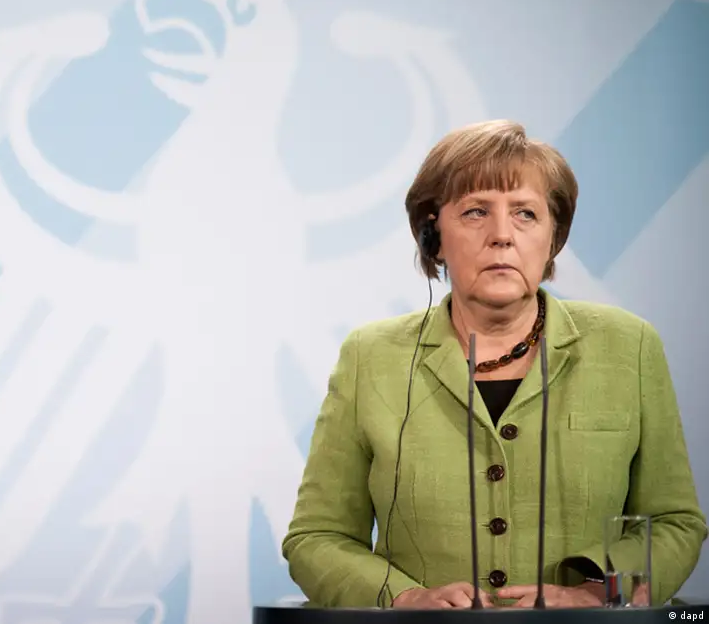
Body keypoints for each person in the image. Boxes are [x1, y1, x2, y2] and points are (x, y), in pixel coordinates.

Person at [282, 119, 705, 608]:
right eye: (476, 211)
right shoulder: (370, 356)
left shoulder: (628, 347)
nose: (502, 236)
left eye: (525, 213)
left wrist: (594, 594)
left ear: (553, 237)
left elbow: (674, 523)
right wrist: (404, 599)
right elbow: (317, 537)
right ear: (434, 236)